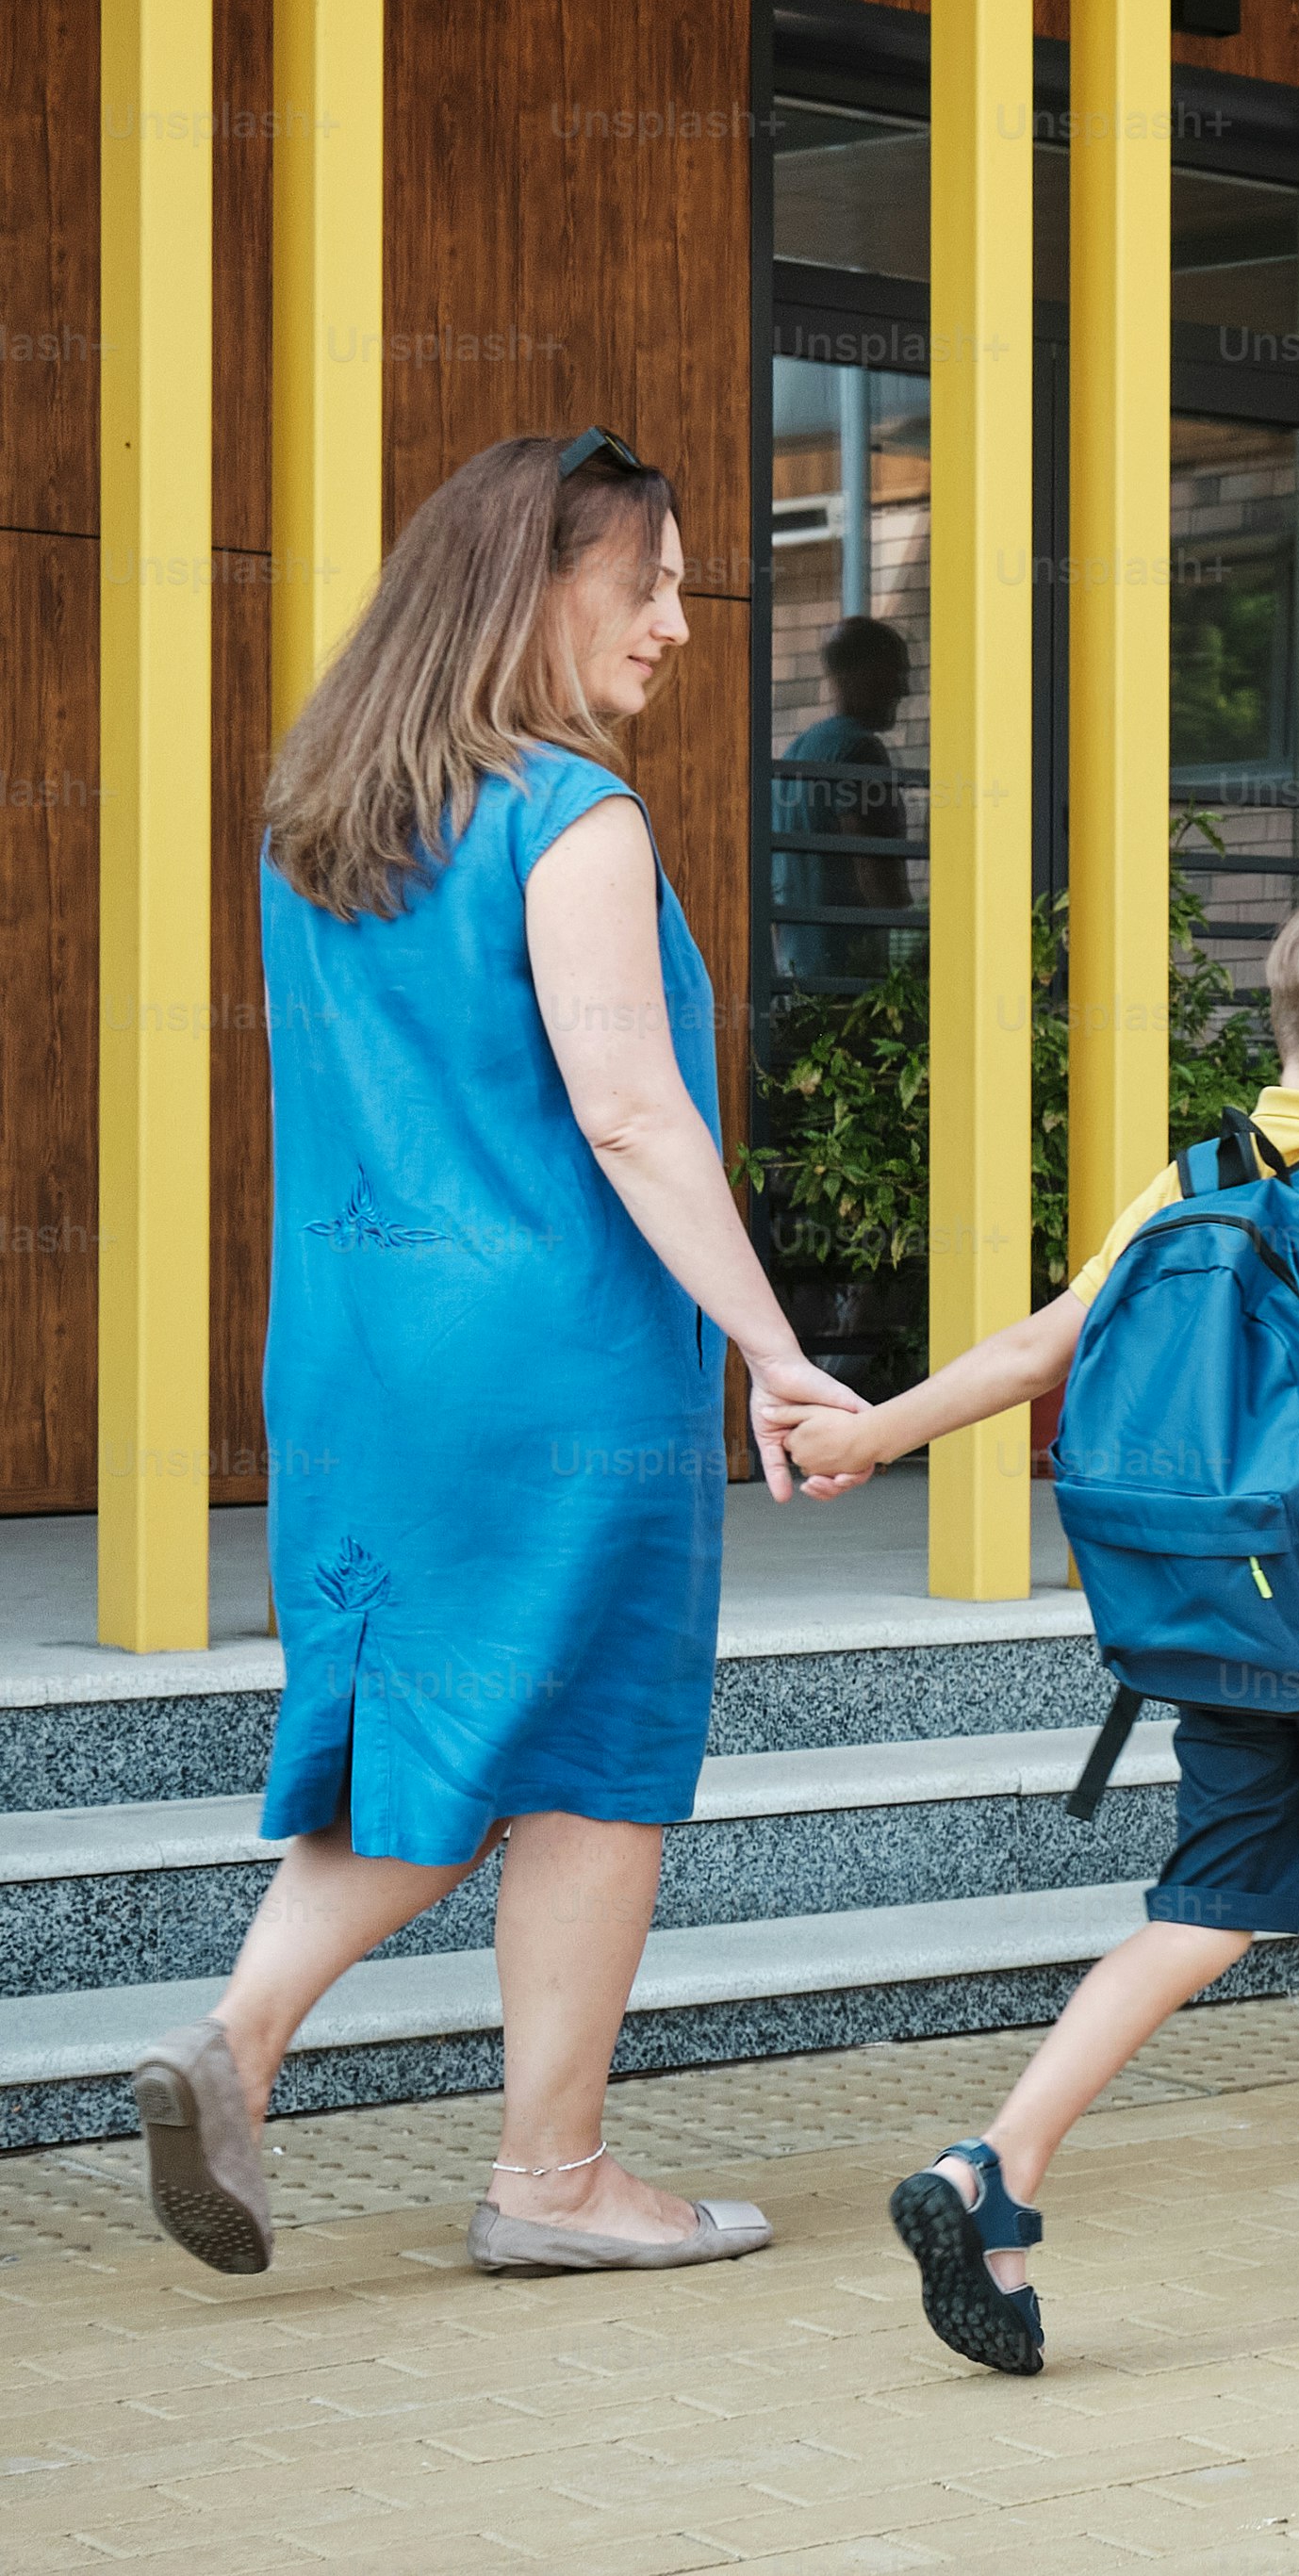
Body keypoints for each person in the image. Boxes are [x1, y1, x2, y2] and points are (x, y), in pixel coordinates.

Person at [130, 430, 867, 2279]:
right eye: (657, 585)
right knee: (591, 1751)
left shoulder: (329, 822)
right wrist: (777, 1352)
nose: (686, 625)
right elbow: (631, 1113)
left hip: (366, 1356)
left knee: (427, 1724)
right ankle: (544, 2180)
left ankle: (244, 2037)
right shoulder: (570, 817)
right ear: (542, 588)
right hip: (560, 1362)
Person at [799, 882, 1299, 2367]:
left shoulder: (1191, 1183)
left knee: (1203, 1907)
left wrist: (876, 1431)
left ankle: (998, 2164)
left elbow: (1049, 1339)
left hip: (1226, 1609)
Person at [767, 610, 913, 985]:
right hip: (854, 978)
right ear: (861, 673)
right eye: (895, 672)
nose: (904, 689)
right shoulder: (859, 752)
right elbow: (876, 873)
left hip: (801, 975)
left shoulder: (797, 753)